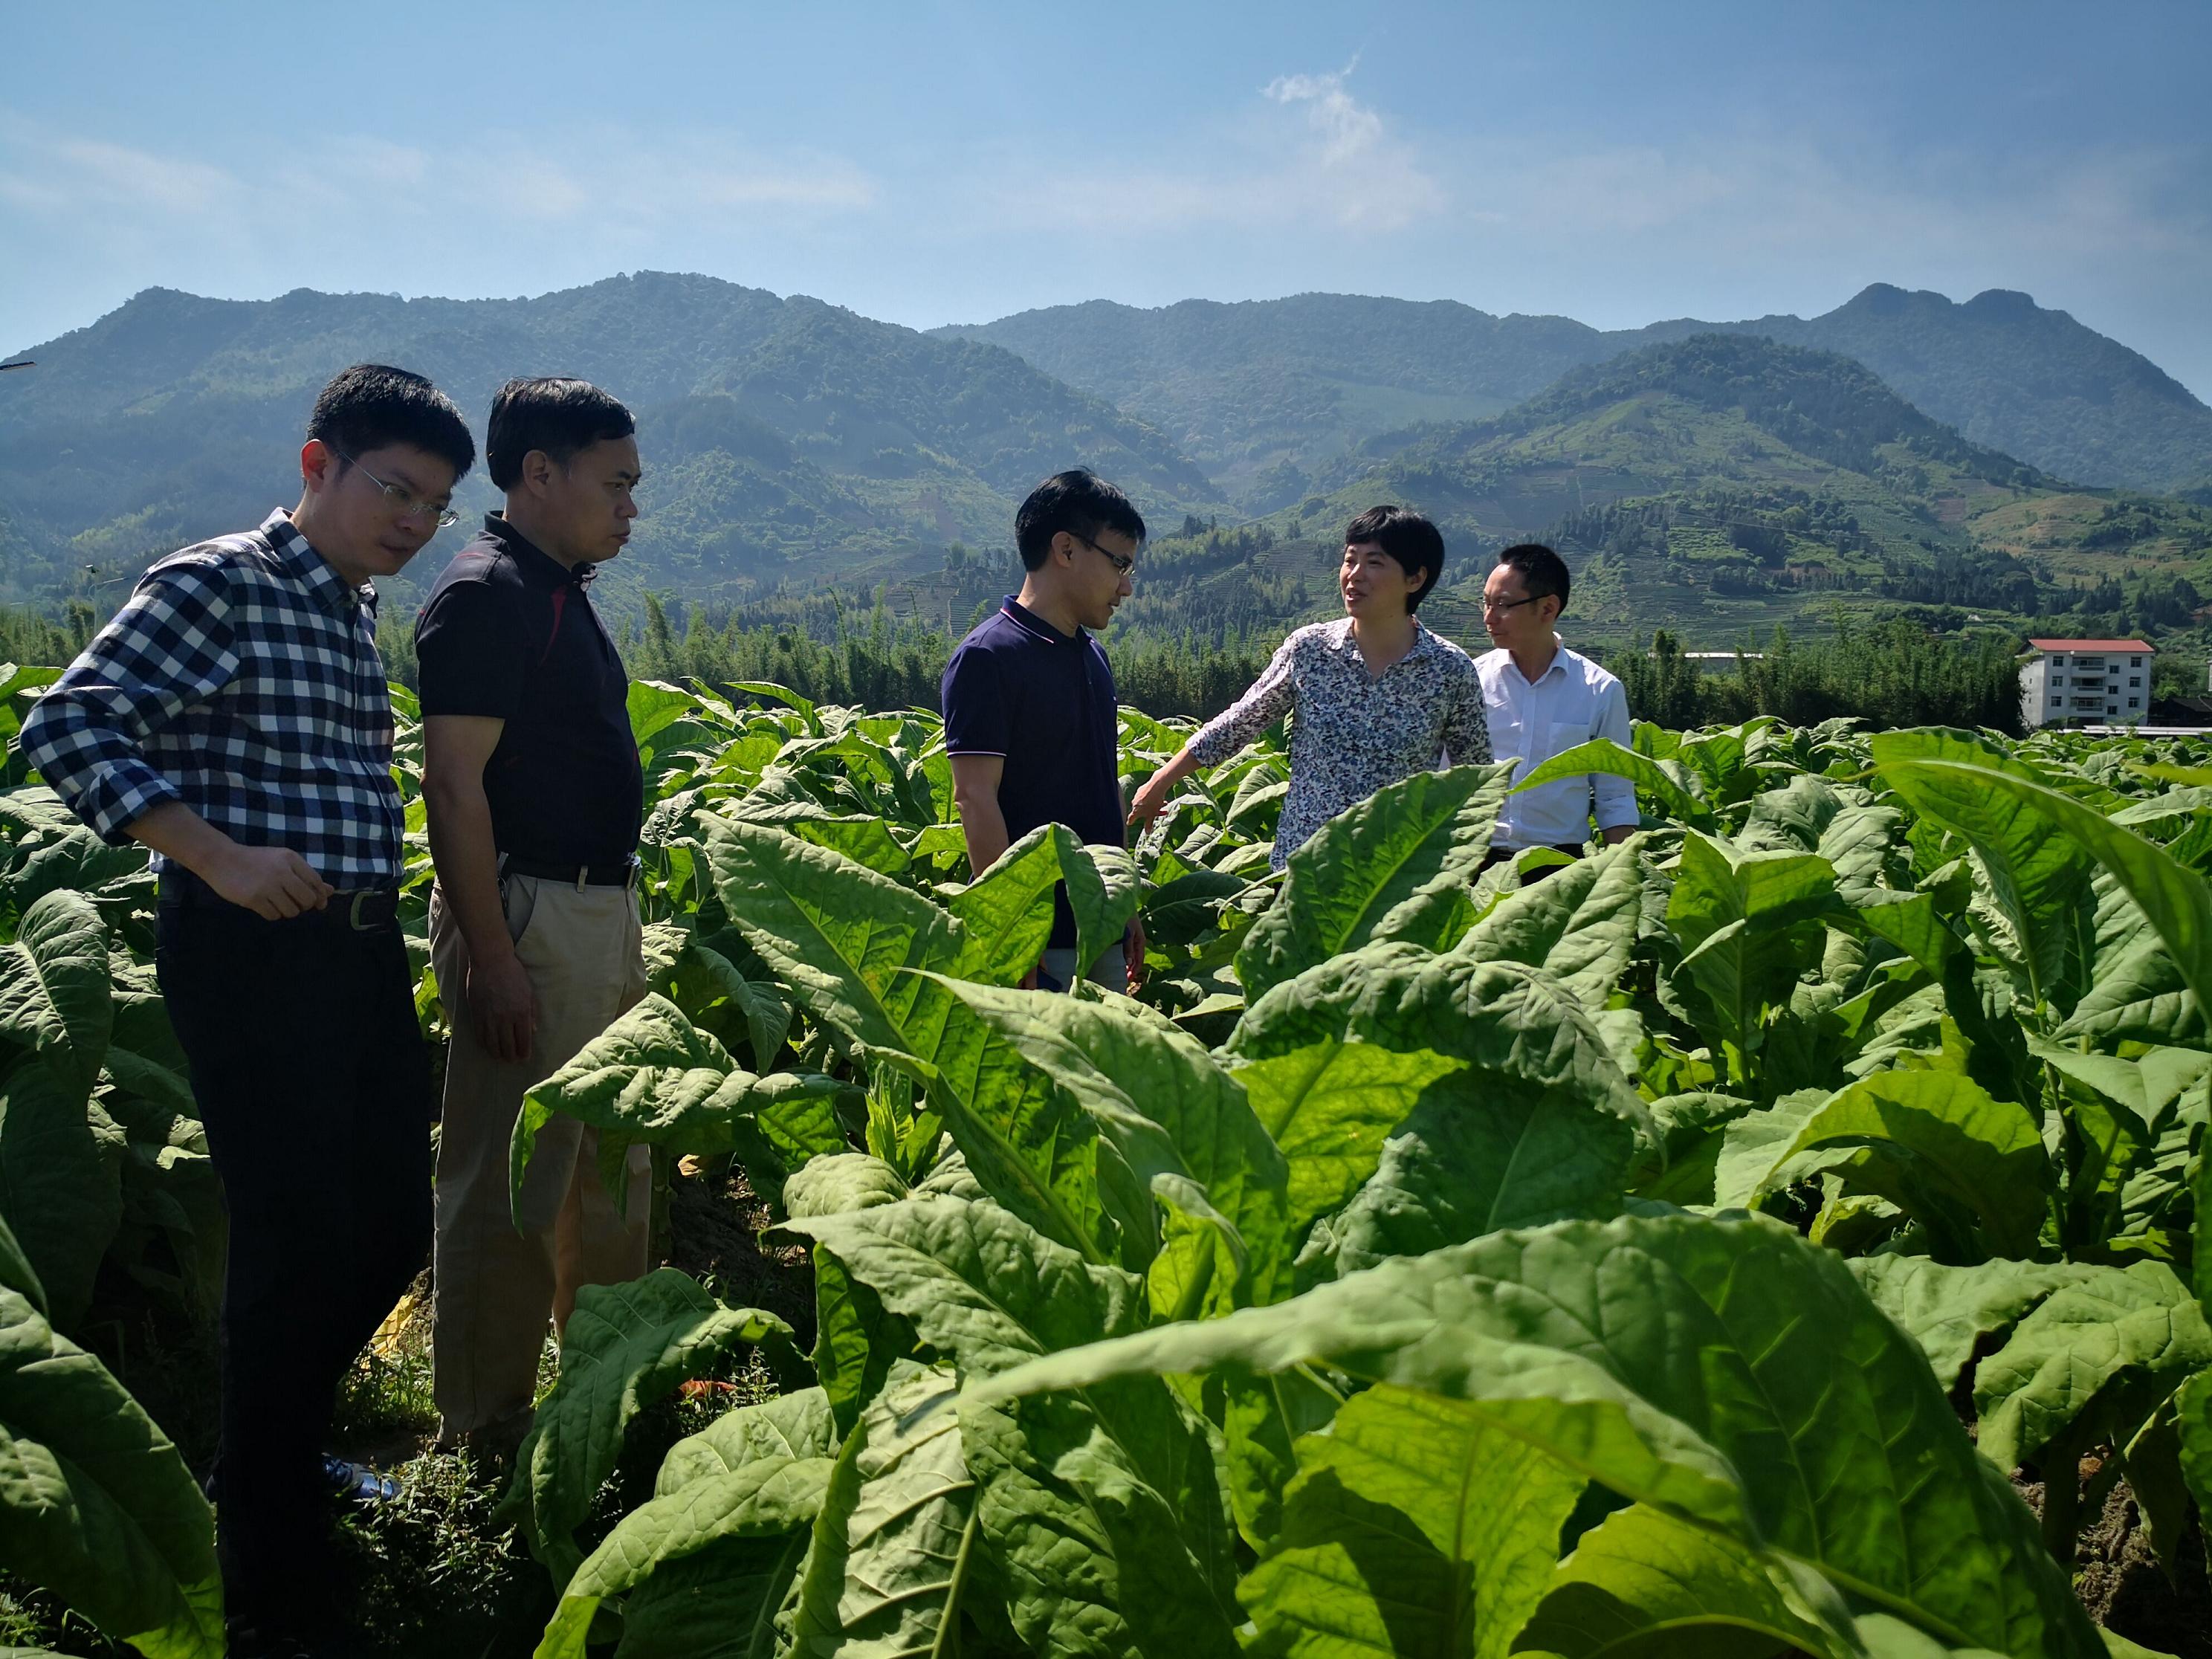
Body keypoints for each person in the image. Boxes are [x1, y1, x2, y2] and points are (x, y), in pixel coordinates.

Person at [19, 363, 473, 1652]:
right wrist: (211, 852)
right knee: (288, 1234)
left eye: (435, 505)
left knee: (384, 1217)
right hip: (252, 950)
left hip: (356, 953)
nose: (412, 520)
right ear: (317, 464)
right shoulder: (219, 580)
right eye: (395, 488)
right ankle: (265, 1560)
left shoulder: (345, 602)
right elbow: (70, 722)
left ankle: (262, 1458)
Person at [413, 378, 647, 1453]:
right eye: (616, 485)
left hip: (592, 909)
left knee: (604, 1164)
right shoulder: (488, 592)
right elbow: (454, 786)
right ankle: (484, 1428)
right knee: (508, 1181)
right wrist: (495, 959)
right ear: (537, 474)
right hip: (531, 910)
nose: (630, 509)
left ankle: (601, 1390)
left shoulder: (558, 586)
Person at [1128, 505, 1490, 869]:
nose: (1354, 575)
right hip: (1305, 867)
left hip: (1395, 873)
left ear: (1415, 579)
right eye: (1350, 560)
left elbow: (1473, 778)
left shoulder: (1449, 670)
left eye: (1375, 563)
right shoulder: (1311, 650)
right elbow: (1240, 722)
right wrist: (1161, 779)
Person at [942, 469, 1147, 992]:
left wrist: (1124, 904)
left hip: (1097, 925)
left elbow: (1104, 783)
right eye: (1120, 563)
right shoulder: (989, 657)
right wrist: (1011, 933)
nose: (1126, 585)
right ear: (1066, 549)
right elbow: (975, 799)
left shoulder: (1092, 655)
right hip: (1040, 938)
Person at [1476, 542, 1637, 870]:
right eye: (1486, 603)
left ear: (1548, 608)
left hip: (1558, 865)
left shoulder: (1600, 690)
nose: (1489, 617)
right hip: (1476, 860)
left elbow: (1615, 796)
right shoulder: (1472, 680)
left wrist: (1621, 876)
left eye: (1503, 605)